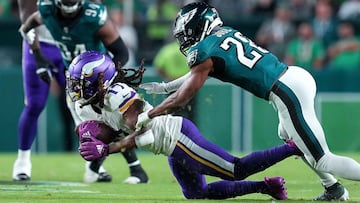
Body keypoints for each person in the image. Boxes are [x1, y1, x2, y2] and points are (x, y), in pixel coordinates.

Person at [137, 2, 360, 201]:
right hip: (294, 76)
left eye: (187, 30)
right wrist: (165, 87)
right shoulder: (224, 33)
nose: (185, 37)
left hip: (285, 90)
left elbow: (185, 96)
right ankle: (333, 188)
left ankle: (334, 188)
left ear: (200, 25)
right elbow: (199, 72)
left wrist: (149, 114)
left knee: (323, 159)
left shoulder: (203, 51)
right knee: (288, 135)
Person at [66, 51, 303, 200]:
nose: (76, 88)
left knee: (235, 169)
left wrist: (108, 149)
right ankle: (266, 187)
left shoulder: (118, 95)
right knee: (196, 193)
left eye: (81, 83)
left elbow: (142, 132)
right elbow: (102, 127)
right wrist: (89, 135)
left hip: (178, 138)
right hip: (169, 147)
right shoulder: (89, 104)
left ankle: (295, 146)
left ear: (101, 80)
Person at [18, 0, 148, 184]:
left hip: (99, 84)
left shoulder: (93, 16)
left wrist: (108, 75)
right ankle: (101, 167)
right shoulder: (47, 11)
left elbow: (121, 52)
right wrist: (38, 58)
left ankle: (130, 169)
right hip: (76, 86)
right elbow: (26, 28)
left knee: (110, 127)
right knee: (89, 130)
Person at [13, 0, 67, 182]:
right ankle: (22, 161)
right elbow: (28, 21)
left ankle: (94, 163)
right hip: (39, 43)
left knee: (83, 104)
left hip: (69, 42)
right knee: (35, 104)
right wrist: (37, 54)